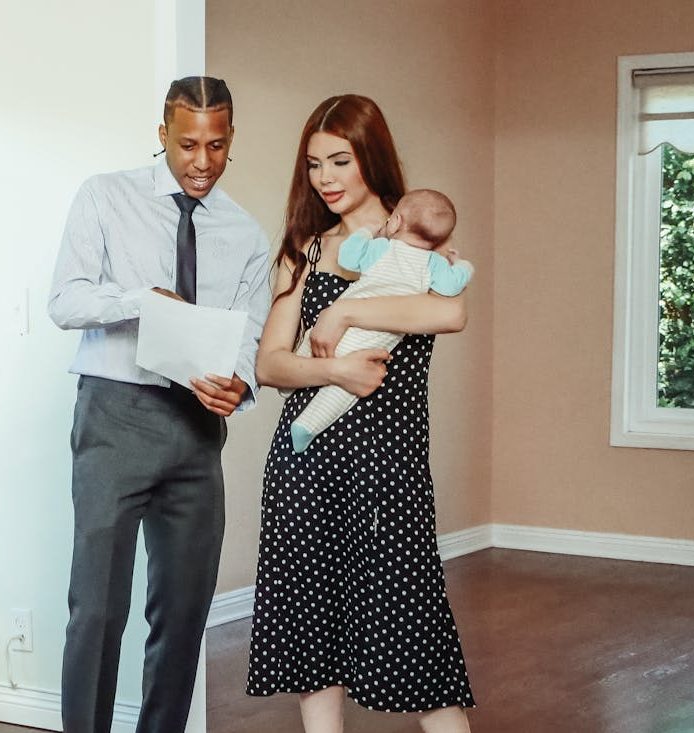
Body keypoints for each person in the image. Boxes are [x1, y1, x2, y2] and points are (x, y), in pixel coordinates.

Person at [246, 94, 476, 733]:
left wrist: (344, 312)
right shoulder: (306, 250)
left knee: (414, 638)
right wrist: (333, 369)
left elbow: (449, 313)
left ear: (369, 158)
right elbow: (269, 364)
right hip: (305, 466)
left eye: (339, 160)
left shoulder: (423, 238)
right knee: (312, 642)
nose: (325, 178)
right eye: (314, 164)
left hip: (388, 470)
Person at [48, 76, 270, 733]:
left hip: (197, 433)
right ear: (161, 135)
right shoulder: (105, 196)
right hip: (114, 418)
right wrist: (141, 300)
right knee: (97, 606)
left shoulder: (246, 234)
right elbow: (65, 301)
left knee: (182, 610)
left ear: (231, 141)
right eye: (186, 144)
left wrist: (239, 385)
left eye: (217, 145)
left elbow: (249, 336)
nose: (201, 161)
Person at [289, 188, 474, 452]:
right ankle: (307, 426)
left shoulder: (384, 249)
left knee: (312, 338)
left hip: (339, 326)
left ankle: (293, 379)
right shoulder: (432, 264)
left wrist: (368, 232)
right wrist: (462, 266)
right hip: (374, 339)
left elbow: (348, 257)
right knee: (344, 390)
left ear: (396, 221)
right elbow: (450, 286)